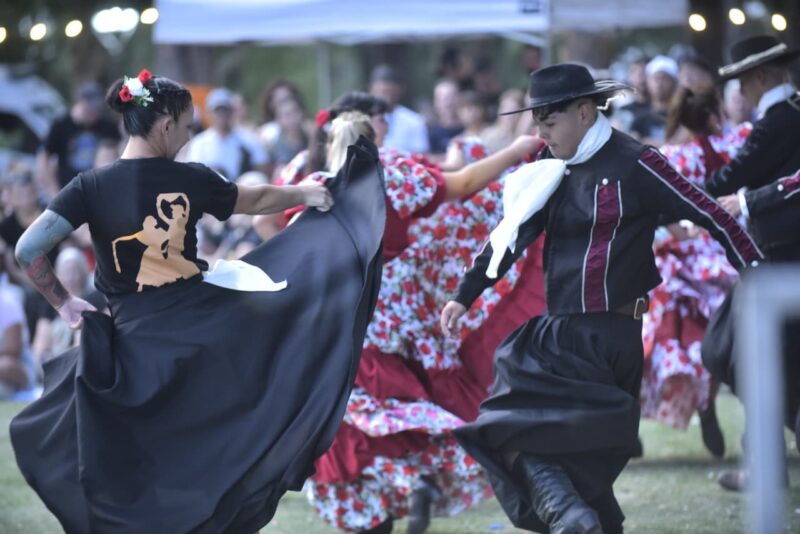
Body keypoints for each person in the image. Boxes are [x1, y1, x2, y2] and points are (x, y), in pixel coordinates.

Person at [9, 69, 385, 533]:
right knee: (230, 435)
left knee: (152, 464)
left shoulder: (88, 185)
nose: (189, 137)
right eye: (187, 126)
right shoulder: (188, 178)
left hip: (136, 356)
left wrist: (65, 304)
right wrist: (307, 194)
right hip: (204, 341)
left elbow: (27, 250)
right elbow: (258, 197)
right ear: (165, 125)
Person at [441, 64, 762, 534]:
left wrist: (758, 276)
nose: (540, 131)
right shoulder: (547, 170)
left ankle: (570, 516)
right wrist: (463, 296)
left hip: (610, 337)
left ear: (585, 112)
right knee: (542, 446)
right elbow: (508, 239)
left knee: (511, 431)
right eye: (537, 121)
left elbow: (716, 216)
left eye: (549, 119)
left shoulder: (637, 162)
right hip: (565, 333)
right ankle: (576, 519)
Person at [286, 111, 544, 533]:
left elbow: (293, 246)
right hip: (399, 307)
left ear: (332, 142)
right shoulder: (397, 175)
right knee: (408, 393)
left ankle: (387, 495)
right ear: (374, 141)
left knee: (350, 414)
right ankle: (416, 477)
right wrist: (515, 151)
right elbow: (463, 183)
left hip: (345, 314)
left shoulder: (316, 189)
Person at [700, 35, 800, 492]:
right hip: (776, 256)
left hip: (780, 258)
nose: (738, 90)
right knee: (749, 355)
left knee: (731, 351)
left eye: (741, 80)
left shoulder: (779, 120)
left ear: (760, 76)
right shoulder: (786, 116)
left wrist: (676, 197)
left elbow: (731, 179)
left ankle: (766, 463)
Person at [640, 88, 752, 457]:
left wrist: (679, 232)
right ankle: (708, 404)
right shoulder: (736, 144)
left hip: (684, 257)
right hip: (723, 250)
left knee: (669, 336)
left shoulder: (672, 156)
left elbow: (660, 202)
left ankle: (635, 421)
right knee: (725, 334)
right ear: (714, 117)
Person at [37, 82, 122, 197]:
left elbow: (123, 149)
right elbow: (44, 159)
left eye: (98, 109)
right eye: (91, 108)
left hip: (98, 192)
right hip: (67, 192)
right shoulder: (61, 125)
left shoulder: (107, 126)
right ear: (80, 102)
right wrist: (53, 192)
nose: (95, 112)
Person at [187, 87, 270, 179]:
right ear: (209, 114)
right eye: (218, 111)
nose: (222, 115)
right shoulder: (199, 143)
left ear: (233, 111)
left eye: (225, 110)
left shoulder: (248, 139)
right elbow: (193, 174)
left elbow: (262, 167)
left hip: (242, 189)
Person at [369, 64, 430, 154]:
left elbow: (421, 155)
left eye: (391, 93)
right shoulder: (359, 120)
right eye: (382, 92)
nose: (386, 98)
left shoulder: (414, 121)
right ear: (371, 89)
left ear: (400, 91)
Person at [427, 79, 464, 155]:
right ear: (436, 103)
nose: (449, 102)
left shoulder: (470, 127)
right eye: (444, 98)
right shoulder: (429, 131)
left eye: (452, 97)